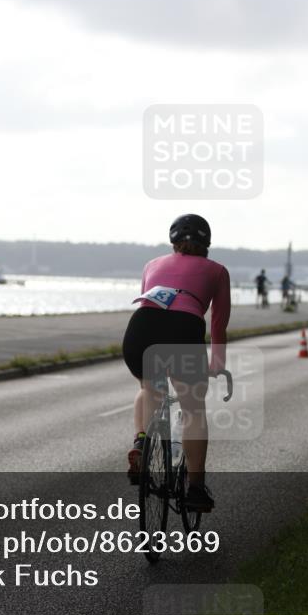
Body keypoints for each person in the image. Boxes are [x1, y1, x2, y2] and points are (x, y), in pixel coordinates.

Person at [122, 214, 230, 512]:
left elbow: (149, 302)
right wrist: (216, 362)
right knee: (194, 409)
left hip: (140, 328)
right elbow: (218, 324)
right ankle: (195, 488)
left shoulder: (151, 265)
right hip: (183, 329)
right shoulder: (217, 271)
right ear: (207, 243)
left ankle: (142, 442)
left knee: (150, 389)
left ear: (173, 241)